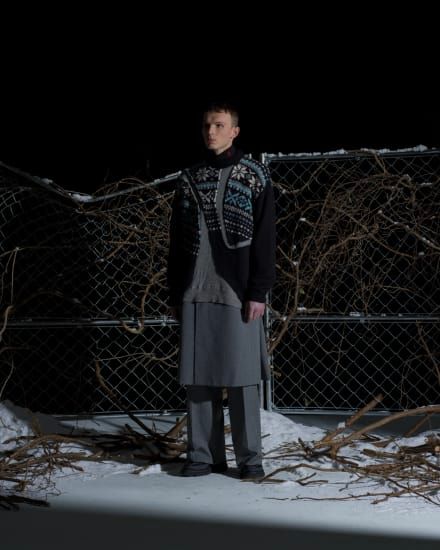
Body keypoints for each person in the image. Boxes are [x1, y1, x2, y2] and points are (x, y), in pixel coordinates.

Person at [167, 101, 276, 479]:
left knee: (242, 379)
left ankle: (250, 459)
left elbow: (265, 238)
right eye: (206, 125)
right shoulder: (189, 178)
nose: (210, 131)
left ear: (235, 131)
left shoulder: (254, 175)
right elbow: (176, 242)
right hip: (195, 290)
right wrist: (175, 291)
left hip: (237, 292)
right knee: (198, 378)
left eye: (218, 125)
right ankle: (203, 455)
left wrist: (258, 291)